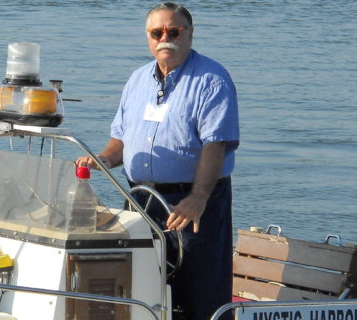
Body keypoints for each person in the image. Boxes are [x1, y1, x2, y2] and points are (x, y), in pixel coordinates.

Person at [75, 2, 239, 319]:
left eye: (174, 31)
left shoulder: (212, 80)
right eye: (157, 32)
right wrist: (104, 159)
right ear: (147, 37)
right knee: (143, 289)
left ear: (189, 34)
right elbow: (122, 137)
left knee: (200, 292)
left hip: (191, 203)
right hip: (141, 201)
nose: (166, 37)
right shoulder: (137, 80)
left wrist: (198, 198)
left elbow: (215, 144)